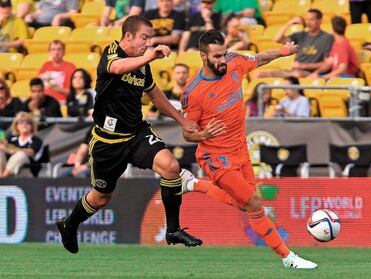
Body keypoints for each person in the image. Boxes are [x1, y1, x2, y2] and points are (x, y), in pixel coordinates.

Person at [55, 15, 202, 254]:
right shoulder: (111, 53)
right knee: (101, 197)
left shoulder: (142, 63)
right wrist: (150, 55)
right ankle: (69, 224)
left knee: (171, 167)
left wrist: (182, 121)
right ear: (128, 36)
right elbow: (117, 68)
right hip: (107, 141)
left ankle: (172, 230)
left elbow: (154, 94)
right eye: (145, 38)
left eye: (151, 39)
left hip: (135, 133)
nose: (148, 43)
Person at [180, 29, 317, 269]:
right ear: (203, 56)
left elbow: (261, 58)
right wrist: (203, 134)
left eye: (223, 54)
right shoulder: (194, 92)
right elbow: (187, 132)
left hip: (240, 149)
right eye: (216, 57)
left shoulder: (234, 62)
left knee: (244, 203)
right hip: (215, 157)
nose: (222, 60)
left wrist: (283, 52)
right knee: (254, 203)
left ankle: (193, 184)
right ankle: (288, 257)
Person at [273, 9, 334, 78]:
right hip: (295, 71)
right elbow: (277, 39)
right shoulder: (301, 35)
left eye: (311, 20)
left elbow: (328, 63)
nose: (308, 22)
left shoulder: (327, 38)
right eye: (307, 20)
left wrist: (304, 65)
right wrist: (289, 23)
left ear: (320, 21)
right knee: (261, 74)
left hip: (310, 73)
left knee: (296, 74)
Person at [0, 111, 43, 177]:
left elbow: (29, 152)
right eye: (21, 122)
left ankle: (3, 179)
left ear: (32, 125)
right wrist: (4, 146)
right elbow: (3, 145)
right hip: (9, 169)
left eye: (27, 122)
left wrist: (11, 149)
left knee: (21, 155)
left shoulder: (36, 140)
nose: (24, 125)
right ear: (16, 125)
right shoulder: (11, 138)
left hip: (28, 171)